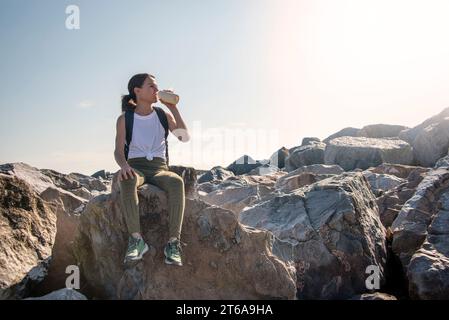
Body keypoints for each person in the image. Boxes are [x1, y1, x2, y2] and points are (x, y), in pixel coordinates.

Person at [114, 73, 190, 266]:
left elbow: (184, 137)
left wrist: (174, 108)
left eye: (156, 87)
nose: (157, 90)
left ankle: (173, 244)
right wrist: (123, 166)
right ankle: (136, 241)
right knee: (127, 179)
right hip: (136, 167)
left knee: (176, 182)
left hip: (159, 168)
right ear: (137, 91)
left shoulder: (163, 115)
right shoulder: (125, 119)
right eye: (151, 87)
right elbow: (117, 150)